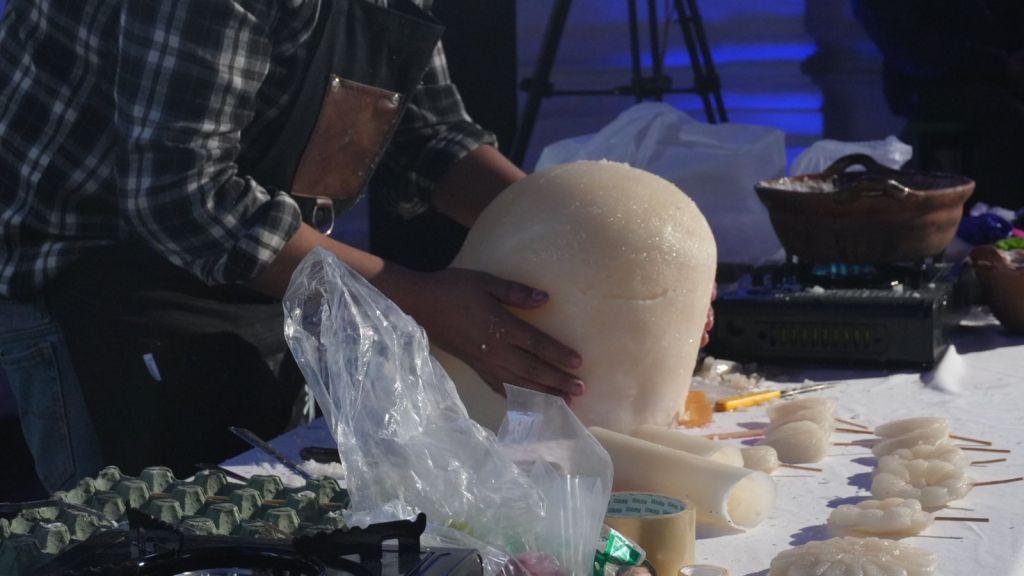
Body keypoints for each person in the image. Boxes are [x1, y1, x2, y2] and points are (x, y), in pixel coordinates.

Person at [0, 0, 591, 492]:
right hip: (98, 282)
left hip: (256, 275)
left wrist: (583, 246)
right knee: (146, 538)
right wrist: (423, 305)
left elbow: (427, 134)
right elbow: (182, 195)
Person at [853, 0, 1024, 209]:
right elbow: (914, 49)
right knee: (1010, 119)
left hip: (991, 81)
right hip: (934, 86)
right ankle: (998, 216)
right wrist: (1001, 65)